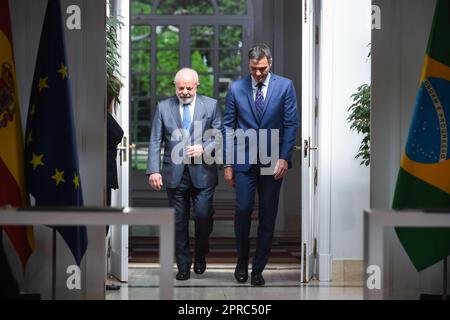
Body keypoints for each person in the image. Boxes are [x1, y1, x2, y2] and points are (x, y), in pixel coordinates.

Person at [222, 43, 299, 286]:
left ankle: (258, 269)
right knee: (243, 210)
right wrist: (227, 164)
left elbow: (290, 123)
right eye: (254, 69)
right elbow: (228, 127)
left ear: (270, 63)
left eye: (263, 69)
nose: (258, 74)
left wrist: (285, 157)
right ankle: (242, 260)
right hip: (243, 161)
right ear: (249, 64)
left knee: (268, 216)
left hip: (273, 161)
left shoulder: (285, 86)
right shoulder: (236, 88)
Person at [146, 68, 222, 280]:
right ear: (175, 86)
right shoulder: (163, 107)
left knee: (203, 215)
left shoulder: (211, 105)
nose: (185, 92)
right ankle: (183, 265)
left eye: (189, 87)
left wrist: (204, 148)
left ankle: (200, 254)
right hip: (174, 173)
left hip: (204, 173)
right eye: (181, 88)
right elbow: (155, 140)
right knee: (179, 221)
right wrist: (153, 170)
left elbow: (219, 134)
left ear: (197, 85)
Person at [105, 76, 124, 291]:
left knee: (105, 225)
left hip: (106, 172)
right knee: (102, 225)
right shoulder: (101, 115)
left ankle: (100, 274)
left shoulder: (106, 113)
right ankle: (98, 276)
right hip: (101, 172)